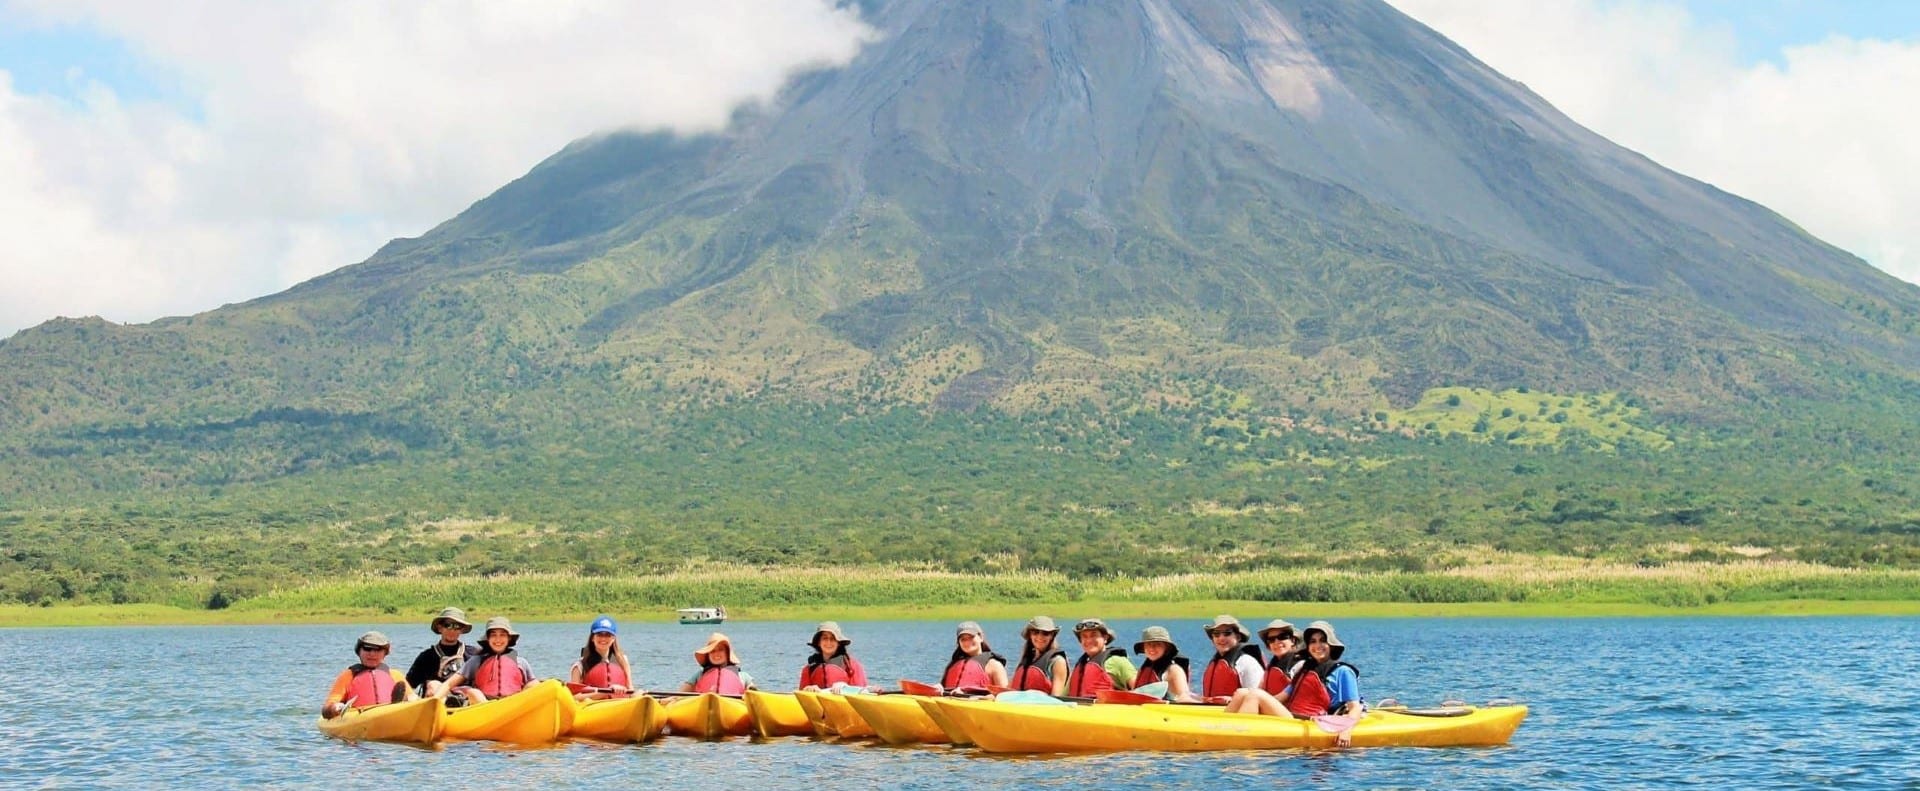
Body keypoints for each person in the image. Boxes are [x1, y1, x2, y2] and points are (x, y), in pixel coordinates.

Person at [1225, 620, 1364, 732]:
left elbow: (1355, 708)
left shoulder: (1343, 671)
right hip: (1293, 717)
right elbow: (1281, 698)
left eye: (1323, 640)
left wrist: (1345, 730)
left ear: (1331, 645)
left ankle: (1237, 736)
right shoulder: (1305, 670)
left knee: (1255, 695)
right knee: (1243, 692)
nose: (1317, 645)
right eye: (1312, 641)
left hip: (1312, 722)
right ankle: (1222, 728)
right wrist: (1253, 701)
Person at [438, 616, 537, 703]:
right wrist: (435, 699)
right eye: (493, 635)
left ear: (509, 638)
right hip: (485, 705)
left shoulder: (521, 662)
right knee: (474, 693)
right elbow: (449, 683)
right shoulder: (477, 661)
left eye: (502, 635)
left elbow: (533, 685)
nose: (498, 639)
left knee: (534, 684)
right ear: (488, 639)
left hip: (514, 704)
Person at [321, 631, 415, 718]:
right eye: (367, 649)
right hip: (358, 719)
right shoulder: (348, 676)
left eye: (378, 650)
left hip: (392, 716)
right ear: (359, 651)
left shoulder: (395, 675)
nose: (372, 654)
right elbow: (328, 707)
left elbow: (413, 699)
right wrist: (334, 708)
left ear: (385, 653)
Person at [406, 607, 477, 703]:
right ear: (440, 628)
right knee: (433, 685)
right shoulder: (426, 657)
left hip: (465, 702)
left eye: (457, 626)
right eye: (448, 625)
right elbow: (409, 685)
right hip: (436, 705)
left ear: (462, 629)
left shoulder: (473, 654)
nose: (452, 630)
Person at [1198, 614, 1264, 702]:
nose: (1221, 638)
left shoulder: (1247, 662)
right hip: (1213, 713)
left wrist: (1232, 700)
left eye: (1227, 633)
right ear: (1212, 639)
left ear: (1238, 637)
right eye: (1216, 634)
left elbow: (1258, 698)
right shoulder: (1214, 663)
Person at [1065, 618, 1135, 697]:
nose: (1089, 640)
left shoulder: (1117, 661)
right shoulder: (1080, 665)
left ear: (1105, 638)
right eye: (1084, 636)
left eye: (1093, 635)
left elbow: (1140, 690)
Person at [568, 615, 634, 700]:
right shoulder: (579, 666)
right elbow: (574, 697)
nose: (603, 638)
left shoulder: (623, 660)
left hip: (620, 704)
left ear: (613, 638)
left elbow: (630, 689)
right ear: (592, 638)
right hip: (593, 708)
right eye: (599, 634)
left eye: (607, 635)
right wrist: (604, 692)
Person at [1131, 625, 1198, 702]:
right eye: (1148, 644)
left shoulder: (1174, 670)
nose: (1152, 648)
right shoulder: (1143, 669)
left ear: (1167, 647)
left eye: (1158, 644)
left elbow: (1184, 697)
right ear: (1143, 647)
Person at [799, 621, 868, 690]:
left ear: (838, 643)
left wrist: (845, 687)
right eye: (825, 638)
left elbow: (862, 692)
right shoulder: (808, 669)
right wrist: (808, 690)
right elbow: (801, 694)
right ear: (819, 642)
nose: (829, 642)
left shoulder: (852, 666)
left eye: (833, 638)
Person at [1010, 616, 1070, 695]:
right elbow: (1009, 688)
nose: (1040, 637)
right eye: (1035, 632)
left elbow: (1056, 697)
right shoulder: (1026, 660)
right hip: (1017, 705)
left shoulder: (1058, 661)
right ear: (1030, 635)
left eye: (1045, 633)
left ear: (1052, 636)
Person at [941, 621, 1009, 691]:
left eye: (971, 637)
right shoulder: (952, 665)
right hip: (950, 700)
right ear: (959, 643)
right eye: (963, 639)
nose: (967, 642)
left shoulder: (994, 665)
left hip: (980, 700)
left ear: (981, 637)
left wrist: (980, 697)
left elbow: (1005, 696)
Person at [680, 632, 755, 694]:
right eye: (712, 651)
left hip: (733, 706)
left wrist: (751, 689)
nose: (716, 654)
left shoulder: (743, 676)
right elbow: (682, 692)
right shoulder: (699, 674)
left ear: (727, 653)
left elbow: (753, 691)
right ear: (708, 655)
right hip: (704, 704)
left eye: (721, 650)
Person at [1257, 619, 1301, 695]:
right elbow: (1259, 691)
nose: (1277, 642)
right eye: (1271, 639)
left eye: (1282, 637)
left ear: (1292, 641)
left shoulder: (1300, 665)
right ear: (1268, 646)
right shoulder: (1271, 666)